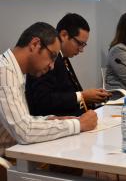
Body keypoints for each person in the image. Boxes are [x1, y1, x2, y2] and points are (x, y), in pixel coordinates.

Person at [0, 22, 97, 158]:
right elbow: (24, 131)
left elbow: (22, 121)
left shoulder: (13, 71)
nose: (52, 66)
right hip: (8, 162)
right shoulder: (4, 73)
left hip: (17, 154)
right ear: (34, 44)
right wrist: (78, 124)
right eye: (52, 56)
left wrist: (51, 120)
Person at [25, 13, 110, 117]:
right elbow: (43, 101)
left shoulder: (63, 58)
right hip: (62, 123)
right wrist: (82, 96)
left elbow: (68, 92)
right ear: (64, 35)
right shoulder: (47, 60)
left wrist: (89, 96)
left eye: (84, 45)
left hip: (78, 116)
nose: (81, 50)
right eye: (79, 43)